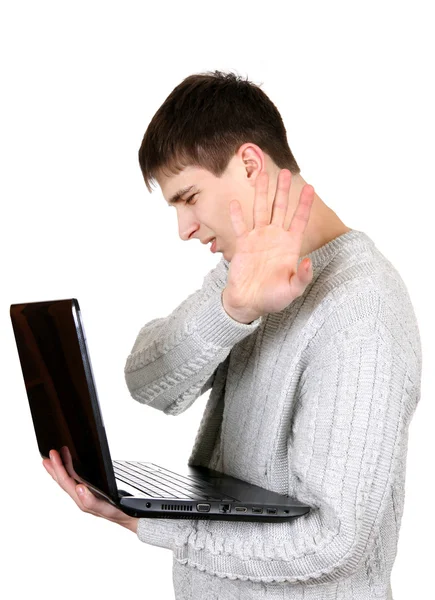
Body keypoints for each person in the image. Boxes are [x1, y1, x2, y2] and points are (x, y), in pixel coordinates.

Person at [43, 70, 422, 599]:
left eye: (189, 196)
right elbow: (148, 383)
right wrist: (231, 309)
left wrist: (143, 523)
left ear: (248, 163)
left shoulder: (362, 310)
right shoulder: (244, 275)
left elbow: (334, 541)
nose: (185, 228)